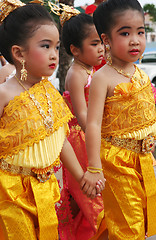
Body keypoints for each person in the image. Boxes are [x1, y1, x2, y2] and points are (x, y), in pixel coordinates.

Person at [0, 1, 104, 239]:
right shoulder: (5, 93)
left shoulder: (49, 93)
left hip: (47, 189)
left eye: (56, 47)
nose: (54, 54)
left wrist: (82, 177)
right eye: (45, 46)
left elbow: (61, 141)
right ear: (18, 53)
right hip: (11, 193)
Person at [81, 0, 156, 239]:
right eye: (125, 33)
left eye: (140, 32)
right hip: (117, 163)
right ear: (106, 40)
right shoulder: (103, 77)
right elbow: (92, 123)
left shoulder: (141, 74)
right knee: (127, 224)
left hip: (143, 159)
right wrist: (94, 168)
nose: (135, 39)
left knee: (143, 217)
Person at [48, 3, 107, 239]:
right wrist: (99, 136)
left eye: (102, 42)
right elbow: (82, 115)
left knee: (98, 194)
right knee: (91, 196)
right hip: (80, 140)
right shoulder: (76, 73)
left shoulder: (91, 69)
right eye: (94, 44)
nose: (102, 49)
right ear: (75, 49)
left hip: (91, 135)